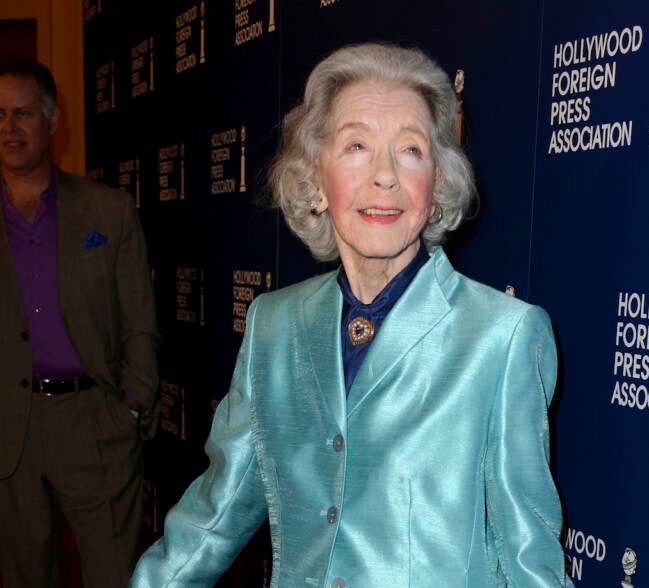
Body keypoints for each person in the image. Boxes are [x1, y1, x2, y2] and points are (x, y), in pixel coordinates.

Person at [131, 43, 572, 587]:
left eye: (410, 150)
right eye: (357, 145)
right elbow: (213, 518)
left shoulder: (501, 337)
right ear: (315, 182)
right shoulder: (273, 326)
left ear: (435, 185)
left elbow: (528, 557)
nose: (385, 175)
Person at [0, 58, 160, 587]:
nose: (8, 126)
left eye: (22, 113)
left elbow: (141, 321)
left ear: (52, 121)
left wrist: (130, 408)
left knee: (116, 576)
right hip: (10, 433)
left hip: (96, 424)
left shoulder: (107, 210)